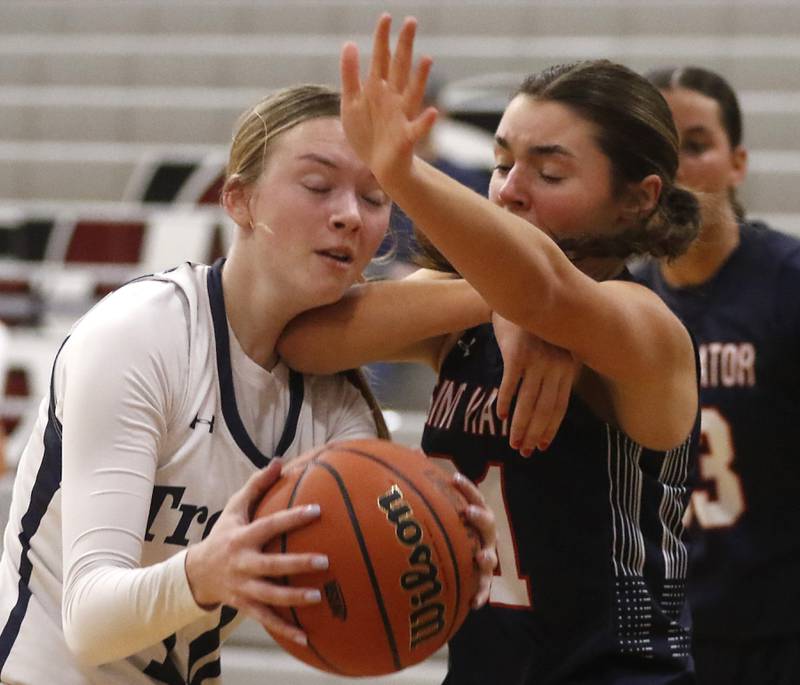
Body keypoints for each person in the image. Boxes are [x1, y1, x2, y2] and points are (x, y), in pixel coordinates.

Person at [0, 83, 498, 684]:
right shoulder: (141, 335)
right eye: (318, 186)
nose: (349, 215)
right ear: (240, 201)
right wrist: (204, 573)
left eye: (374, 197)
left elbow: (352, 599)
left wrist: (442, 554)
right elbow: (87, 621)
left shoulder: (338, 408)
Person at [279, 15, 703, 684]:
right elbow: (302, 340)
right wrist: (496, 300)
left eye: (550, 173)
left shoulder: (646, 328)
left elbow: (546, 293)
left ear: (636, 199)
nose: (507, 190)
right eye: (502, 162)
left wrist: (402, 170)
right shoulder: (467, 307)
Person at [636, 65, 800, 685]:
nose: (675, 171)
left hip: (779, 636)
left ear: (738, 163)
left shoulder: (788, 286)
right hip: (664, 637)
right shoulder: (619, 307)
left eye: (696, 146)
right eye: (657, 151)